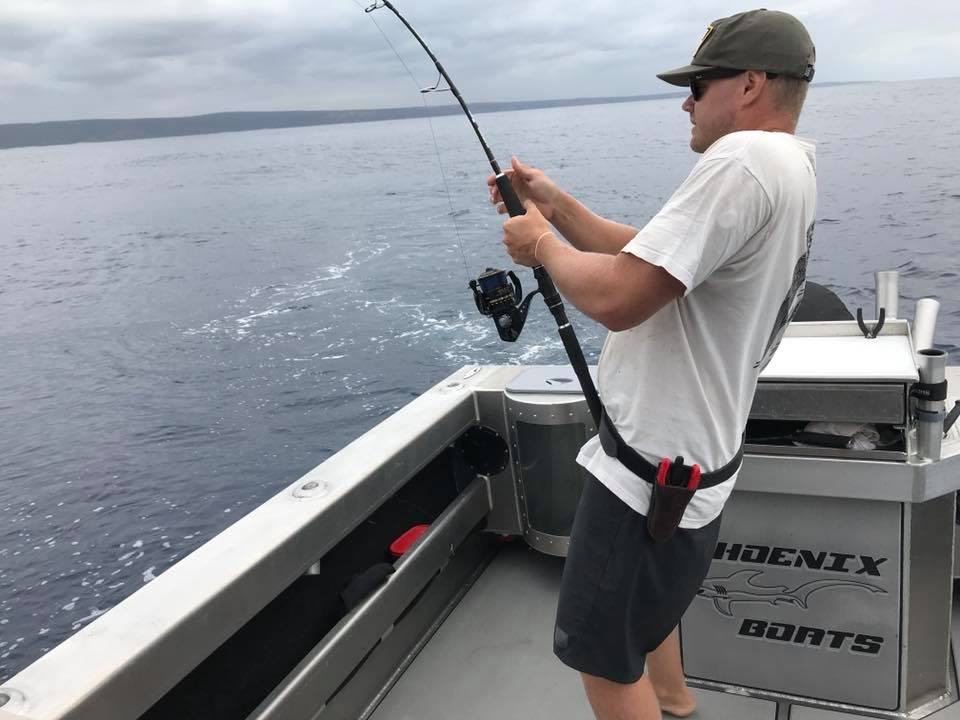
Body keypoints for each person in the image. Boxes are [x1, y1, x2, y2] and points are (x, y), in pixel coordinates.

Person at [487, 9, 817, 720]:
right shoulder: (790, 164)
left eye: (699, 84)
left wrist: (539, 243)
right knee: (648, 615)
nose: (686, 101)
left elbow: (616, 296)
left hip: (651, 477)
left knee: (599, 654)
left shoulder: (741, 161)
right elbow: (650, 249)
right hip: (699, 463)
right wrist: (556, 204)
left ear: (752, 83)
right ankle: (676, 705)